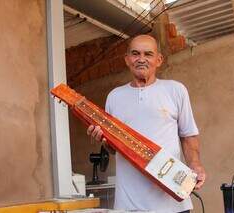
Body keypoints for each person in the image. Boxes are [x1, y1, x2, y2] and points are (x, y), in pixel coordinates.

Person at [87, 34, 206, 213]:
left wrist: (195, 164)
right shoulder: (114, 97)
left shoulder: (175, 90)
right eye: (135, 54)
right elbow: (113, 148)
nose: (141, 59)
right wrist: (104, 140)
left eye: (148, 54)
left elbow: (188, 135)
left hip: (173, 203)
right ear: (127, 60)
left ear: (158, 60)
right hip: (129, 205)